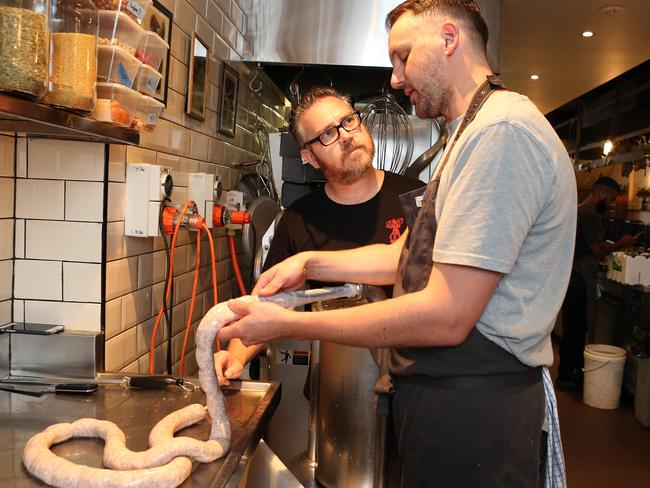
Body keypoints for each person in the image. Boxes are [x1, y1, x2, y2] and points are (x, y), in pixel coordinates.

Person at [213, 1, 576, 486]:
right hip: (446, 398)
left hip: (476, 409)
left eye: (403, 56)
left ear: (449, 40)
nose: (395, 78)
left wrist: (281, 321)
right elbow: (404, 258)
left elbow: (448, 314)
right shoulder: (469, 135)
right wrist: (308, 260)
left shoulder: (500, 134)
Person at [214, 86, 424, 383]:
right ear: (310, 158)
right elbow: (268, 303)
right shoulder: (298, 219)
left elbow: (415, 274)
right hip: (335, 388)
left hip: (410, 381)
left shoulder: (416, 197)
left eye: (348, 121)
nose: (346, 136)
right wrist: (234, 357)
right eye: (327, 134)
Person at [557, 176, 639, 390]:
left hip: (572, 276)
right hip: (580, 278)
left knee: (573, 327)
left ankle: (568, 372)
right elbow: (597, 248)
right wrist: (621, 244)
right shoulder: (589, 213)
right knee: (577, 328)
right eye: (611, 199)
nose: (611, 205)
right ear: (602, 194)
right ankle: (569, 375)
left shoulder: (580, 209)